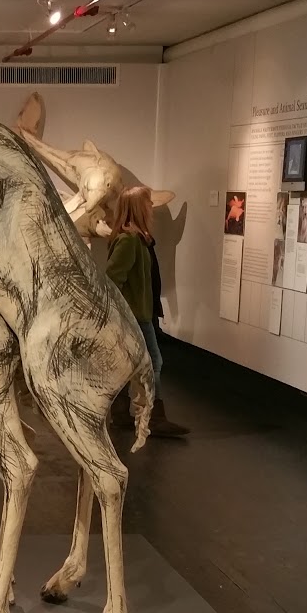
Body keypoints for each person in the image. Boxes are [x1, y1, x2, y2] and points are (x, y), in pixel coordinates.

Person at [105, 185, 188, 438]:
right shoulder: (130, 240)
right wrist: (124, 314)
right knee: (153, 362)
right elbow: (112, 279)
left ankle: (122, 412)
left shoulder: (139, 239)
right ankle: (153, 417)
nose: (151, 207)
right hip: (135, 316)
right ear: (138, 208)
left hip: (140, 313)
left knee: (129, 363)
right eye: (147, 203)